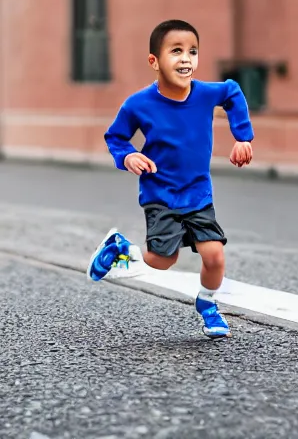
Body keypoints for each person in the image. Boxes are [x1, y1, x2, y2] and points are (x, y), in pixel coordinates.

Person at [87, 19, 254, 339]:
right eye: (176, 51)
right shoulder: (138, 104)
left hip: (198, 193)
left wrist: (242, 137)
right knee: (162, 260)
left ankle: (208, 305)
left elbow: (232, 92)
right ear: (154, 61)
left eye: (193, 51)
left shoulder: (206, 94)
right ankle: (120, 247)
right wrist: (127, 156)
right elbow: (116, 137)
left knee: (215, 255)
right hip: (160, 191)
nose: (186, 58)